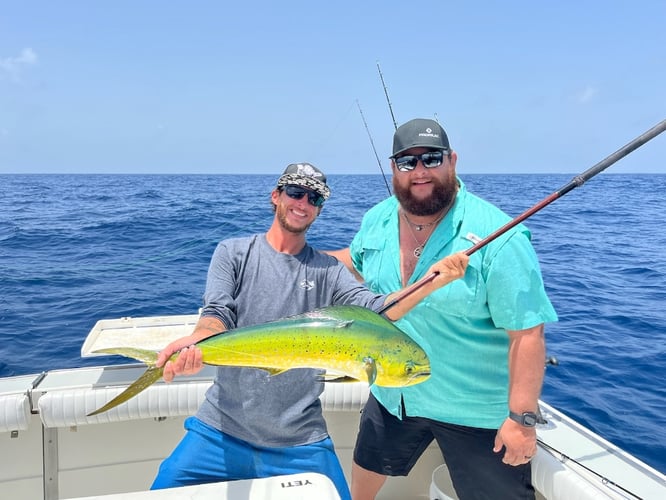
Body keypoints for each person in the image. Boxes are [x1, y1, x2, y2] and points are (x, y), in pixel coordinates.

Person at [149, 162, 469, 500]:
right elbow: (217, 314)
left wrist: (433, 281)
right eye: (295, 192)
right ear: (276, 196)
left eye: (314, 198)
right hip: (219, 430)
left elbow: (379, 310)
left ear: (319, 209)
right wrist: (201, 339)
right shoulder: (234, 253)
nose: (303, 203)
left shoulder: (328, 271)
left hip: (300, 441)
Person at [329, 119, 558, 500]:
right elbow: (349, 262)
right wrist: (289, 260)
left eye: (431, 159)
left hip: (474, 411)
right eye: (407, 162)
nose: (419, 171)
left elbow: (527, 334)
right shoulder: (378, 219)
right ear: (393, 168)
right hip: (394, 393)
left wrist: (521, 419)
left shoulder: (499, 235)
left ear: (452, 161)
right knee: (365, 474)